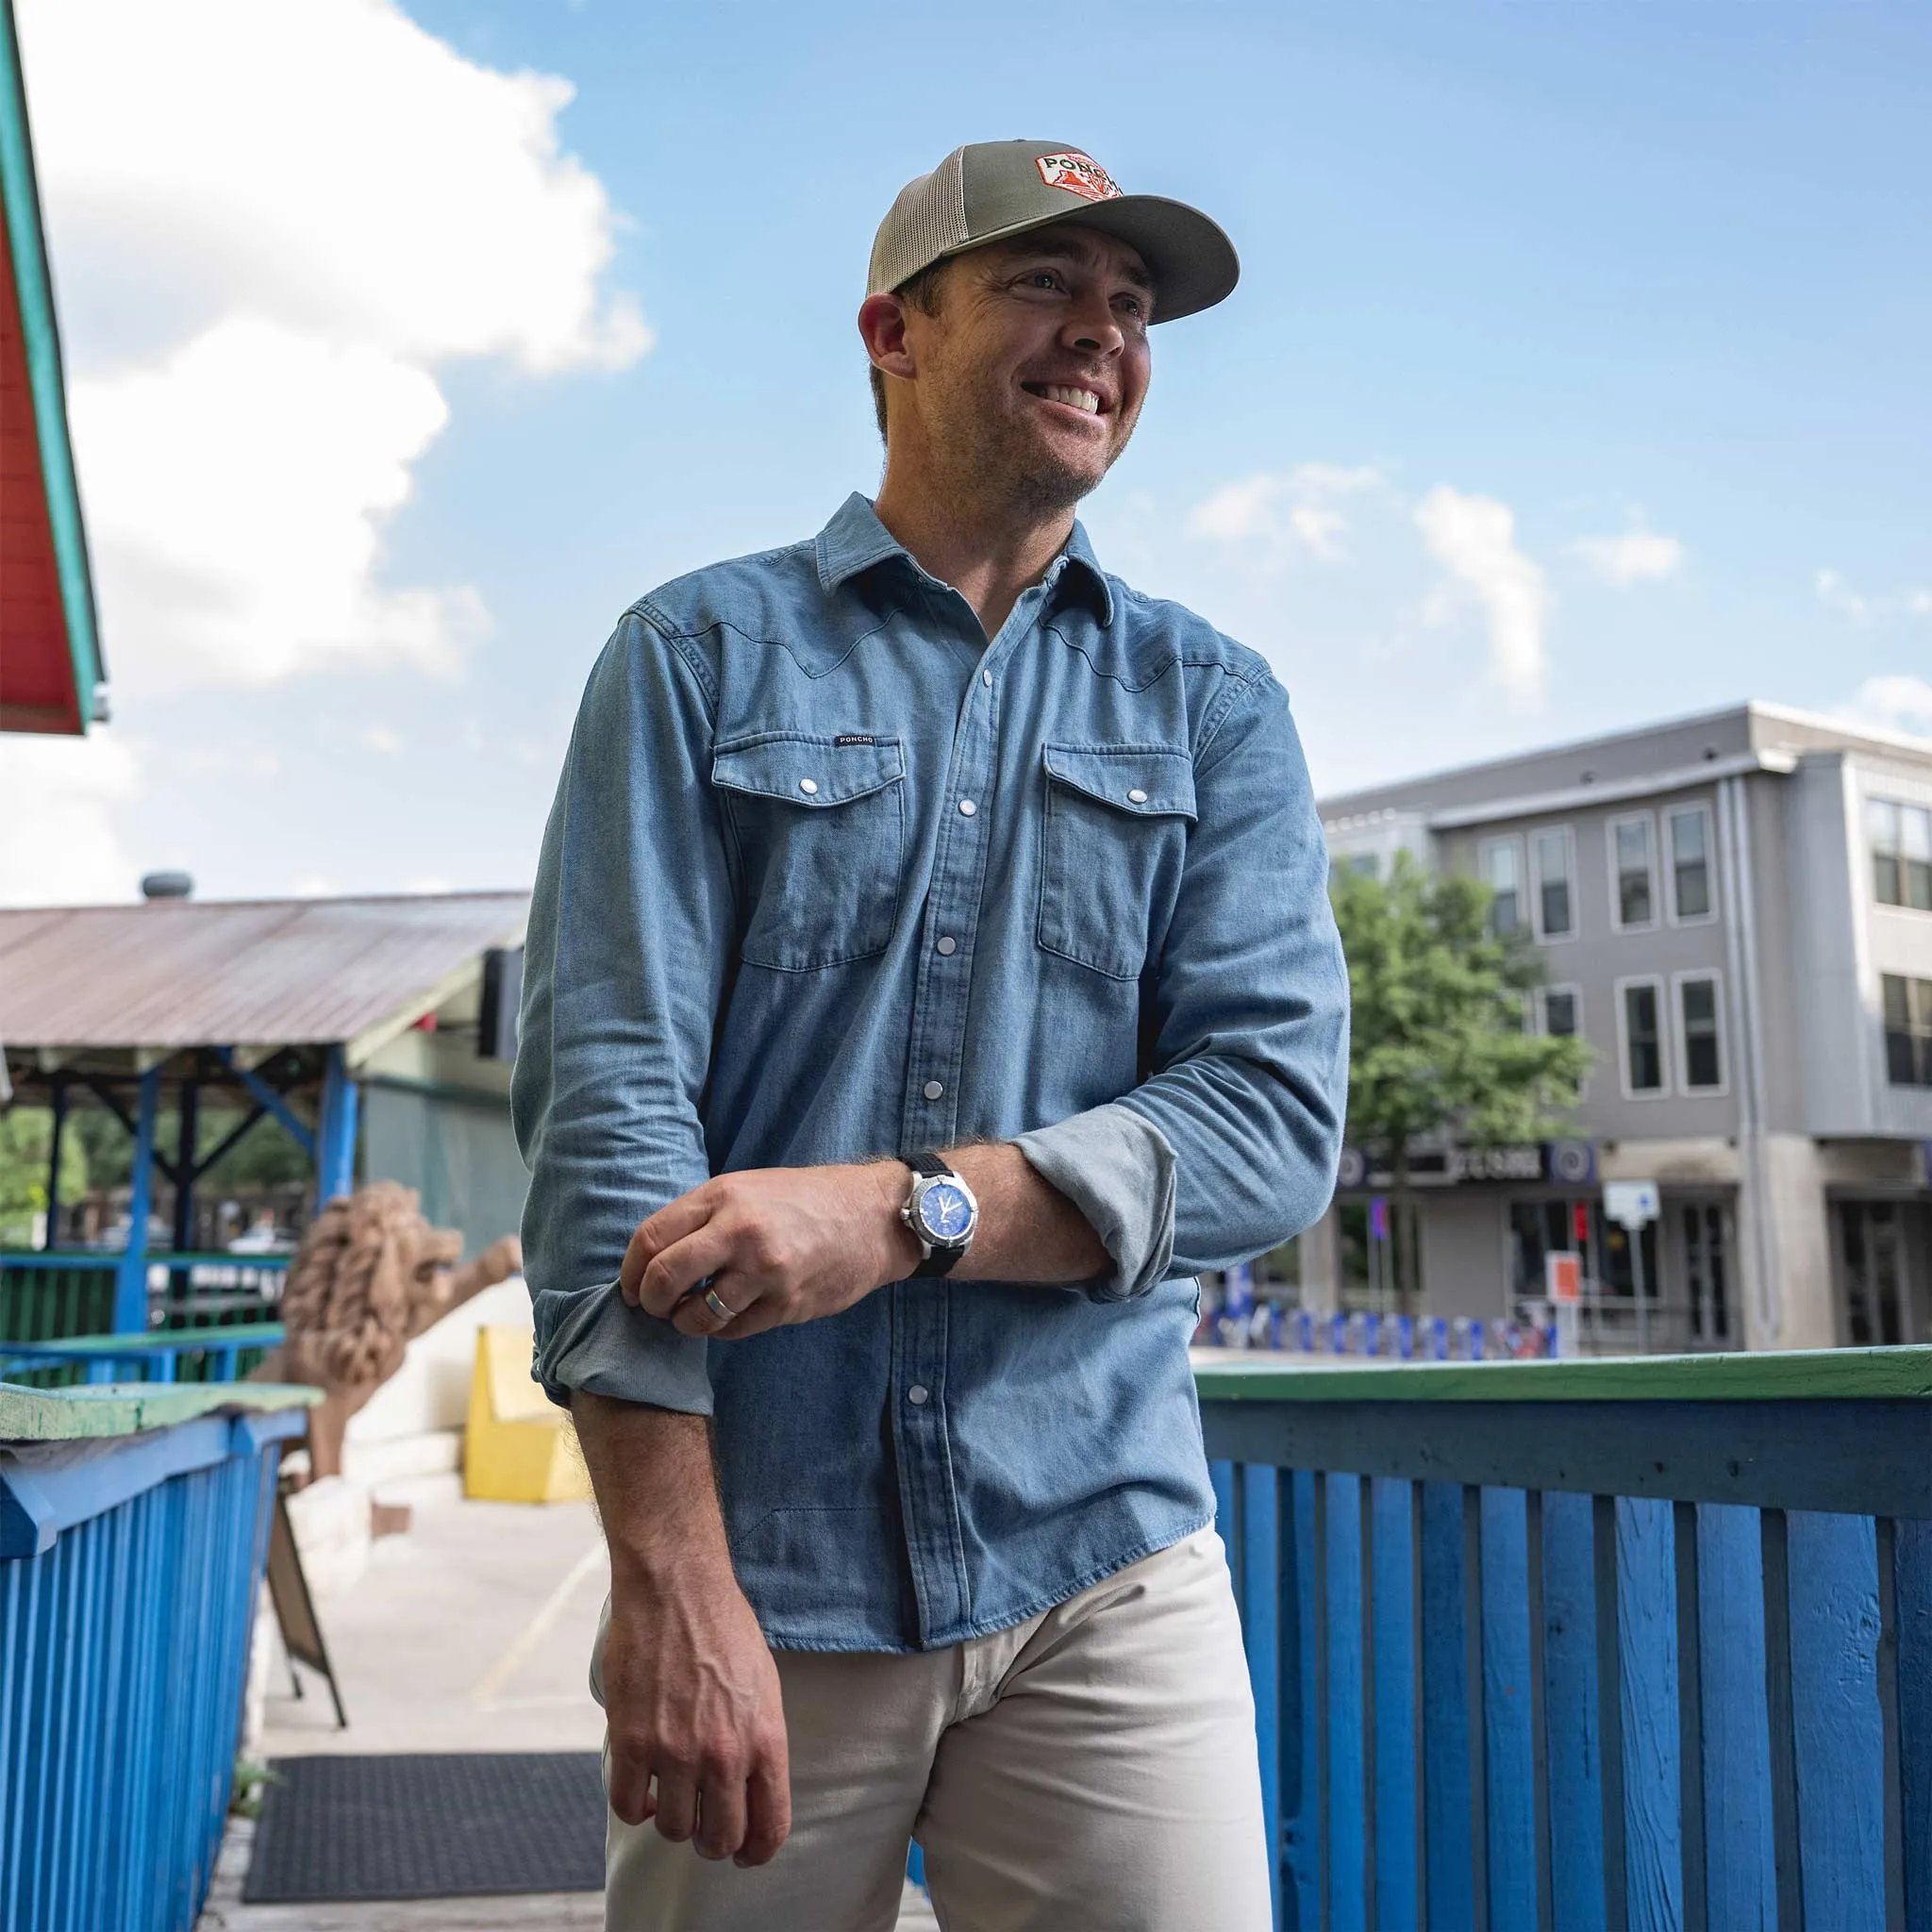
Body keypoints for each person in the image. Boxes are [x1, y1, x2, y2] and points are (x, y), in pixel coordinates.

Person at [514, 138, 1349, 1932]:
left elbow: (1272, 1120)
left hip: (1103, 1556)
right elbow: (609, 1115)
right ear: (894, 330)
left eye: (1132, 308)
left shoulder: (1212, 703)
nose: (1101, 337)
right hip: (765, 1571)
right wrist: (666, 1572)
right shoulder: (692, 659)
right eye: (1047, 285)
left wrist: (900, 1210)